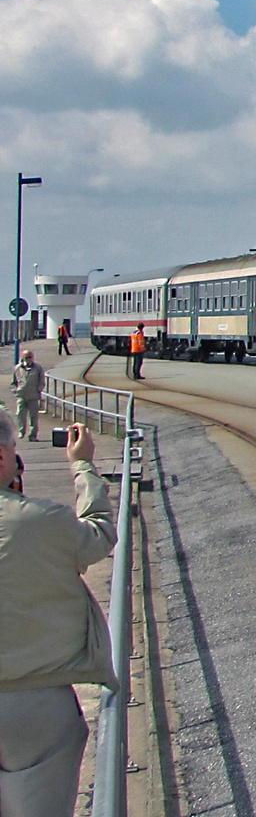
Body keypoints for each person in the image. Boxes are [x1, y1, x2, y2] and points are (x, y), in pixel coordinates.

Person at [0, 417, 117, 817]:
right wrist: (82, 465)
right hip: (34, 705)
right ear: (2, 457)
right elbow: (99, 532)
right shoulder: (42, 519)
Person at [11, 348, 43, 442]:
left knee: (34, 416)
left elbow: (41, 380)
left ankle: (33, 435)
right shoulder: (17, 368)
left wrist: (39, 390)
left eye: (30, 357)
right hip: (21, 395)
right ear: (23, 358)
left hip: (33, 396)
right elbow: (13, 382)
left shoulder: (38, 368)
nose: (29, 359)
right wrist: (15, 391)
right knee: (20, 414)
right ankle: (22, 431)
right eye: (26, 357)